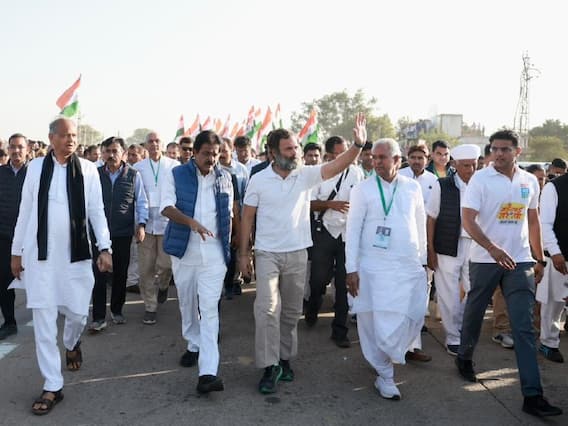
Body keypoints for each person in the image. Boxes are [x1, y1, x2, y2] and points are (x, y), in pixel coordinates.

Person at [239, 114, 367, 395]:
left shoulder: (304, 175)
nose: (295, 152)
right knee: (267, 309)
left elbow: (336, 165)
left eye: (296, 147)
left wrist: (358, 145)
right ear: (273, 152)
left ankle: (285, 360)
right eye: (289, 149)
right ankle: (269, 366)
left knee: (291, 312)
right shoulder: (258, 180)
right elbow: (247, 217)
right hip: (267, 254)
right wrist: (243, 255)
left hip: (297, 253)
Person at [456, 129, 562, 417]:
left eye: (505, 149)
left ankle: (533, 395)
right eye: (495, 149)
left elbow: (533, 220)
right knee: (475, 314)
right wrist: (492, 249)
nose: (499, 154)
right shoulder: (480, 179)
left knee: (524, 327)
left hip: (520, 262)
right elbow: (468, 220)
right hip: (485, 260)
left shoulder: (529, 181)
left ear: (518, 151)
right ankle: (464, 356)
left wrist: (539, 259)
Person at [10, 118, 112, 416]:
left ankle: (71, 341)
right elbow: (25, 211)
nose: (71, 140)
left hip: (75, 258)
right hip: (40, 258)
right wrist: (16, 252)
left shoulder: (89, 170)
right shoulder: (35, 168)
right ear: (51, 138)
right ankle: (52, 385)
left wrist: (104, 247)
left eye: (74, 135)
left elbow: (97, 211)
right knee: (43, 321)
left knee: (78, 313)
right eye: (65, 135)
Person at [346, 138, 428, 400]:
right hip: (373, 267)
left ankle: (389, 359)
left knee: (410, 315)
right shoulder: (362, 189)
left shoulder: (412, 187)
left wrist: (423, 260)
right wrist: (351, 268)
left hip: (407, 266)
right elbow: (353, 230)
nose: (376, 162)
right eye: (374, 157)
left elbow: (420, 225)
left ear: (397, 160)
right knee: (375, 321)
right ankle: (385, 375)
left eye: (382, 157)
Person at [161, 130, 234, 393]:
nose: (211, 159)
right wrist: (190, 222)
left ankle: (208, 372)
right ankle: (193, 344)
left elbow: (230, 214)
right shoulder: (176, 174)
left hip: (214, 255)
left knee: (210, 310)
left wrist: (236, 251)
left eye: (215, 154)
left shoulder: (226, 178)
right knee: (188, 304)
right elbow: (166, 207)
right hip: (184, 252)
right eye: (206, 153)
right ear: (194, 153)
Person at [305, 136, 363, 348]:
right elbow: (308, 204)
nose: (347, 157)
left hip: (347, 235)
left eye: (348, 152)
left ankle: (340, 331)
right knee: (318, 280)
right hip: (325, 232)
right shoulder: (319, 173)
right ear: (329, 155)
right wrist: (330, 204)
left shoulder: (356, 172)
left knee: (343, 283)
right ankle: (312, 307)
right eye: (341, 153)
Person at [89, 137, 148, 331]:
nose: (111, 155)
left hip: (122, 233)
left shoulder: (133, 175)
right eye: (107, 151)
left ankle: (117, 310)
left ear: (123, 153)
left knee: (120, 274)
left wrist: (141, 224)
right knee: (99, 275)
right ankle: (98, 317)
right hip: (99, 234)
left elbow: (141, 202)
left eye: (115, 151)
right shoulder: (95, 174)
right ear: (102, 153)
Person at [426, 144, 480, 355]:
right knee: (448, 293)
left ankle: (463, 327)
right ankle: (453, 337)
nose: (470, 170)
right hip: (448, 244)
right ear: (455, 164)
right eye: (465, 165)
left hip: (476, 246)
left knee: (475, 289)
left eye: (474, 165)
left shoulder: (482, 184)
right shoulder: (442, 185)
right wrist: (431, 250)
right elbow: (431, 218)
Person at [133, 132, 179, 324]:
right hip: (146, 224)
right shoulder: (137, 168)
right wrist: (138, 223)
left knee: (166, 264)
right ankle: (150, 306)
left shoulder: (174, 166)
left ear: (162, 144)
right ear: (145, 145)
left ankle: (164, 285)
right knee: (146, 268)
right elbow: (135, 197)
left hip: (167, 223)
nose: (154, 144)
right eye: (150, 142)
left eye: (157, 141)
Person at [536, 172, 568, 363]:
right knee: (553, 305)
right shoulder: (553, 187)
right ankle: (548, 343)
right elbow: (545, 224)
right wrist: (555, 252)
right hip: (560, 257)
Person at [0, 134, 29, 340]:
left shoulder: (35, 174)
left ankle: (51, 314)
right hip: (4, 236)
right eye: (12, 147)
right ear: (8, 150)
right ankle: (9, 322)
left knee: (40, 280)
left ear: (27, 149)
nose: (16, 151)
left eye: (20, 147)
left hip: (31, 238)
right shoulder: (1, 173)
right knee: (4, 281)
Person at [218, 137, 248, 299]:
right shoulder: (213, 170)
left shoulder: (240, 170)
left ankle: (232, 282)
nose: (221, 154)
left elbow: (241, 199)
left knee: (232, 251)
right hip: (217, 219)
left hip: (237, 217)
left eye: (224, 150)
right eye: (219, 151)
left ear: (231, 151)